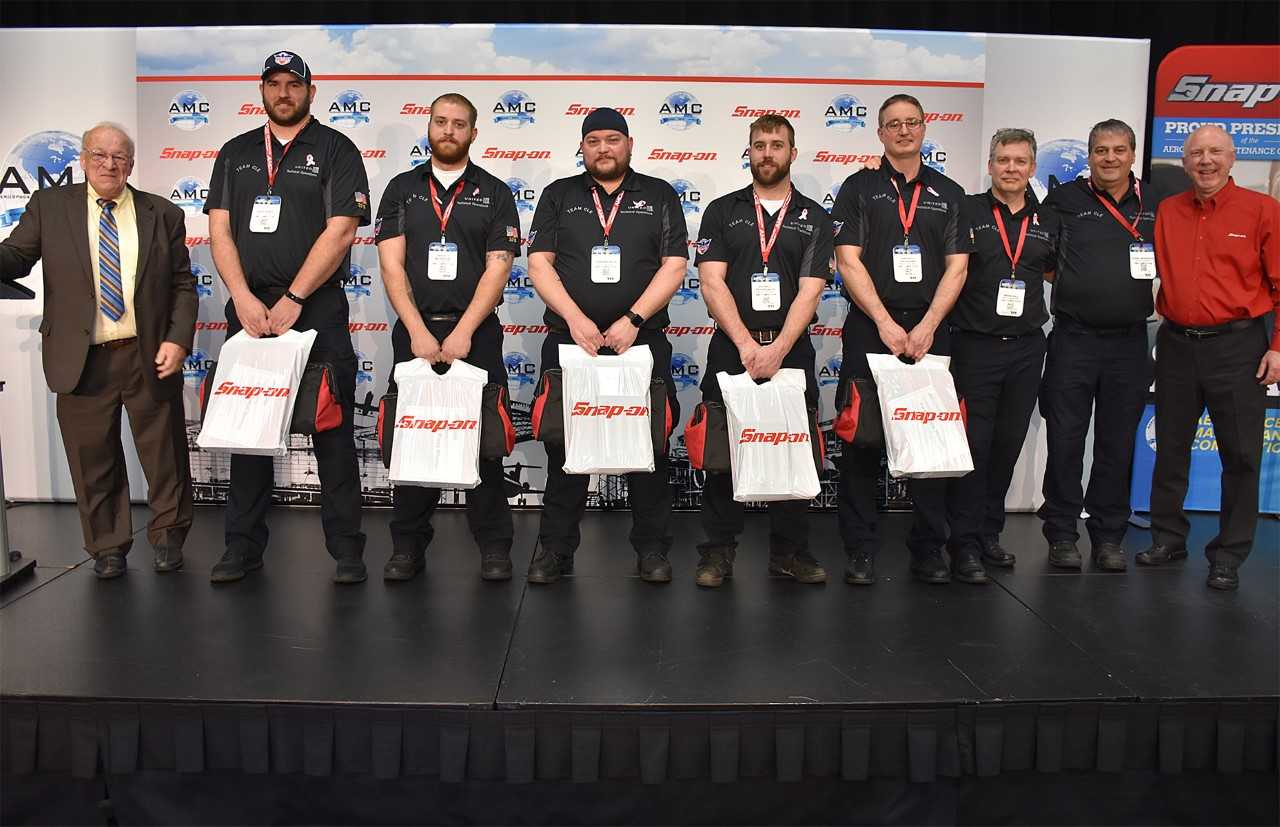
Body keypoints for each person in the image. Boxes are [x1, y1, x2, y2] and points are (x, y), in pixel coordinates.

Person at [0, 123, 196, 579]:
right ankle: (108, 546)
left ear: (132, 163)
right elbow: (15, 257)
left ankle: (168, 538)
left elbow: (183, 285)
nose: (110, 164)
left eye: (120, 157)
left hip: (148, 353)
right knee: (93, 460)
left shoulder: (162, 213)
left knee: (165, 455)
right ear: (83, 160)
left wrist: (177, 339)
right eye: (100, 155)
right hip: (81, 357)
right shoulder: (50, 207)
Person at [204, 51, 371, 584]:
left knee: (333, 432)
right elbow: (220, 231)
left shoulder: (336, 149)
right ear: (262, 92)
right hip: (250, 310)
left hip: (316, 309)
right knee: (248, 431)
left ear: (310, 92)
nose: (283, 93)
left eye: (293, 84)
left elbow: (342, 229)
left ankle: (347, 550)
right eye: (273, 84)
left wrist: (295, 298)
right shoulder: (234, 153)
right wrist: (242, 298)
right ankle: (242, 547)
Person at [524, 107, 688, 584]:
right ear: (582, 147)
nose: (603, 148)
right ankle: (556, 550)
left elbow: (675, 265)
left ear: (629, 144)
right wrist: (575, 320)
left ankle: (652, 551)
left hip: (641, 342)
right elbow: (539, 263)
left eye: (612, 139)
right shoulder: (559, 195)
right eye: (593, 140)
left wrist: (633, 320)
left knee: (647, 448)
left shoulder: (658, 195)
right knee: (564, 449)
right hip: (571, 342)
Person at [374, 92, 521, 581]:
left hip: (475, 333)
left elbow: (498, 269)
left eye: (460, 124)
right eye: (441, 121)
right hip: (415, 332)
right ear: (429, 126)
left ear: (474, 133)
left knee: (484, 442)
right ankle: (407, 548)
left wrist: (463, 332)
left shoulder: (496, 192)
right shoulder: (401, 188)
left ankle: (495, 547)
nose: (449, 131)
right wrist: (416, 330)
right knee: (414, 441)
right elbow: (391, 265)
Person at [830, 93, 972, 585]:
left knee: (931, 442)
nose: (904, 131)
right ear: (880, 132)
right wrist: (886, 324)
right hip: (872, 327)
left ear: (924, 128)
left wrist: (928, 325)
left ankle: (929, 548)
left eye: (911, 123)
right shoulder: (858, 188)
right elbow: (848, 260)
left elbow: (958, 267)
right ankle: (860, 549)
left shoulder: (950, 193)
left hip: (932, 329)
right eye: (894, 124)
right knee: (861, 441)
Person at [691, 114, 833, 587]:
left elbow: (811, 291)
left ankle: (789, 553)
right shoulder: (722, 210)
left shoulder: (814, 216)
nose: (767, 153)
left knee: (792, 448)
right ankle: (718, 553)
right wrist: (748, 345)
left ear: (793, 153)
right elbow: (711, 282)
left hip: (791, 349)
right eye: (759, 145)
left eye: (777, 145)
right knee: (722, 451)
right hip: (734, 346)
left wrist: (777, 350)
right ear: (748, 152)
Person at [1141, 125, 1280, 591]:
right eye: (1196, 153)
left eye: (1215, 152)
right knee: (1170, 449)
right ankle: (1167, 538)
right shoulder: (1167, 210)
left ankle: (1229, 555)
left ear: (1232, 158)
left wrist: (1278, 347)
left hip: (1238, 347)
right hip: (1178, 344)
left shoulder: (1263, 210)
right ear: (1183, 161)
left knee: (1240, 455)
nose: (1205, 161)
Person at [1038, 119, 1157, 572]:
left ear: (1132, 154)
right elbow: (1042, 259)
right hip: (1074, 339)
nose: (1110, 158)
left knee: (1116, 443)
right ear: (1089, 156)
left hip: (1129, 342)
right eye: (1101, 150)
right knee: (1065, 439)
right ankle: (1062, 533)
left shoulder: (1155, 202)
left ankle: (1109, 536)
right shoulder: (1065, 199)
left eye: (1119, 150)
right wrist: (1083, 286)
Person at [946, 129, 1060, 583]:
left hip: (1028, 348)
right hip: (975, 346)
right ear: (990, 165)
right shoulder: (966, 210)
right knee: (974, 447)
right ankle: (964, 542)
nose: (1011, 168)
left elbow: (1052, 270)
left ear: (1032, 167)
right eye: (1002, 160)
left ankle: (989, 533)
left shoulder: (1049, 218)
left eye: (1019, 161)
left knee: (1007, 445)